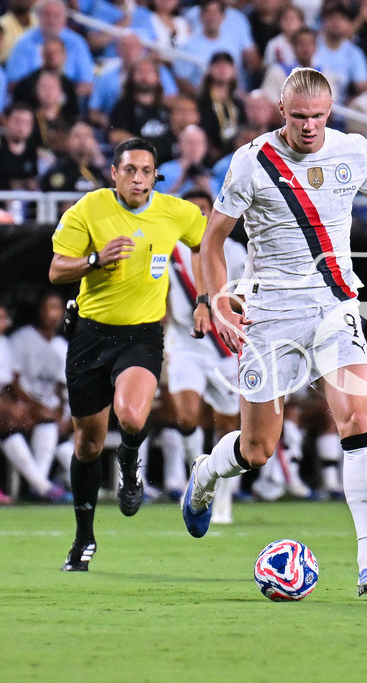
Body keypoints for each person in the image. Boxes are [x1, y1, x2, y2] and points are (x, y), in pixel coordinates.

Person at [186, 67, 367, 599]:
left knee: (356, 418)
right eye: (299, 117)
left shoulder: (353, 149)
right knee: (258, 449)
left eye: (319, 117)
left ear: (331, 111)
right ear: (281, 112)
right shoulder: (252, 162)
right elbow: (211, 244)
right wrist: (216, 303)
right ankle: (207, 474)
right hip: (271, 316)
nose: (309, 127)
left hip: (335, 307)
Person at [50, 137, 206, 572]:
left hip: (141, 335)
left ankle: (131, 462)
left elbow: (206, 245)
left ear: (157, 175)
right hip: (90, 335)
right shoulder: (89, 209)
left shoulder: (177, 212)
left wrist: (206, 298)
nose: (139, 178)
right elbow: (57, 267)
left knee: (133, 416)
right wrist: (95, 259)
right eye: (130, 170)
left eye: (147, 171)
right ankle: (83, 539)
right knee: (88, 444)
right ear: (114, 173)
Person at [160, 188, 244, 504]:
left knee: (227, 422)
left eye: (204, 210)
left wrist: (220, 304)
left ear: (213, 213)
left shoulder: (233, 252)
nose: (199, 216)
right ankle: (199, 475)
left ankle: (221, 485)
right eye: (192, 210)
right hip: (185, 343)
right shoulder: (168, 252)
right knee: (186, 416)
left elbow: (246, 295)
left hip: (223, 345)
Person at [0, 302, 69, 504]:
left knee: (43, 419)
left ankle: (40, 485)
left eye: (2, 318)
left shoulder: (4, 345)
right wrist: (6, 408)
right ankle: (38, 486)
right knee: (0, 420)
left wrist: (17, 408)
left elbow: (6, 386)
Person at [10, 292, 74, 486]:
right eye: (46, 307)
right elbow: (12, 384)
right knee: (47, 422)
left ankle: (46, 484)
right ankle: (41, 485)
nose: (50, 313)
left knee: (67, 423)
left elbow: (61, 388)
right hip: (23, 403)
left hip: (50, 408)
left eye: (55, 308)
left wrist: (61, 413)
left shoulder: (62, 346)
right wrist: (36, 407)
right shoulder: (22, 338)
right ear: (39, 311)